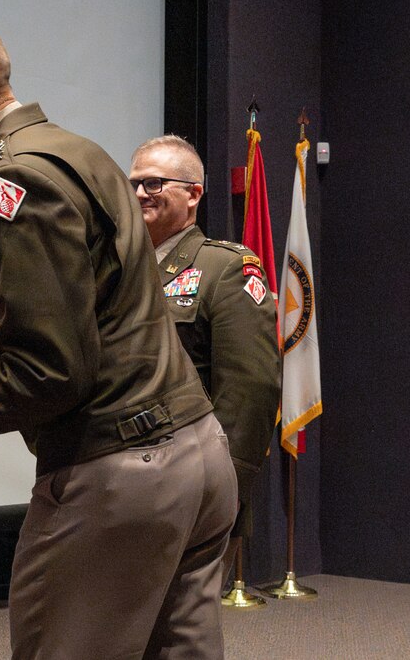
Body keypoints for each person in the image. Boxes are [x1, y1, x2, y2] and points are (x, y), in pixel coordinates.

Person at [0, 12, 237, 659]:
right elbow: (76, 311)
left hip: (119, 474)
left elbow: (50, 369)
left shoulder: (12, 183)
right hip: (194, 460)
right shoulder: (74, 151)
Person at [130, 135, 281, 580]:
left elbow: (250, 392)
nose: (140, 193)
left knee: (182, 631)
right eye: (134, 183)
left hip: (193, 487)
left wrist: (224, 494)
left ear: (193, 194)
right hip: (127, 485)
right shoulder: (121, 272)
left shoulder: (225, 268)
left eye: (154, 183)